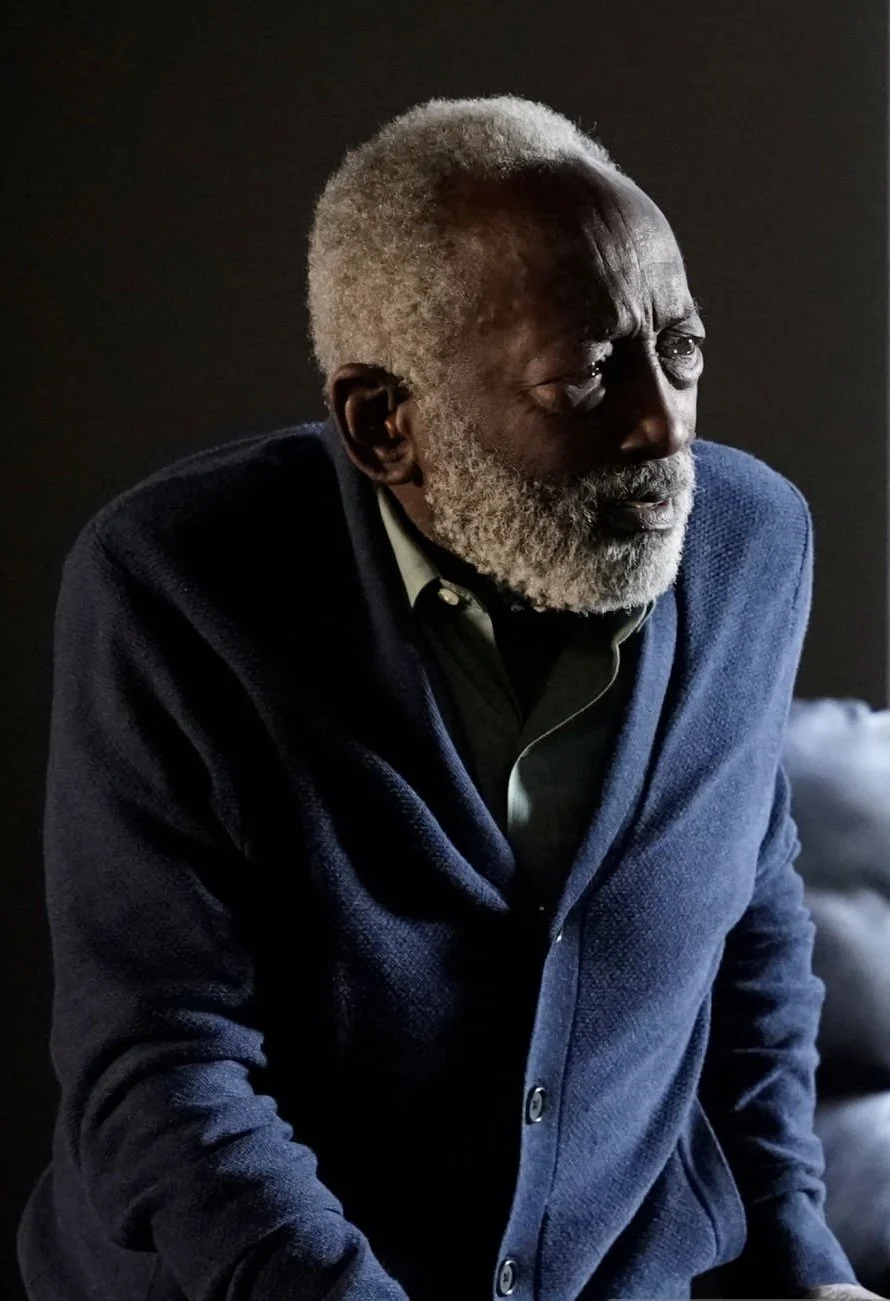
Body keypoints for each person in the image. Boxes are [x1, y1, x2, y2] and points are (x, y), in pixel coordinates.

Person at [17, 96, 883, 1301]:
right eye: (585, 375)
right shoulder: (176, 587)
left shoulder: (751, 545)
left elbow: (748, 927)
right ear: (384, 424)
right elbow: (160, 1064)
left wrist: (799, 1255)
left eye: (679, 350)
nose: (662, 426)